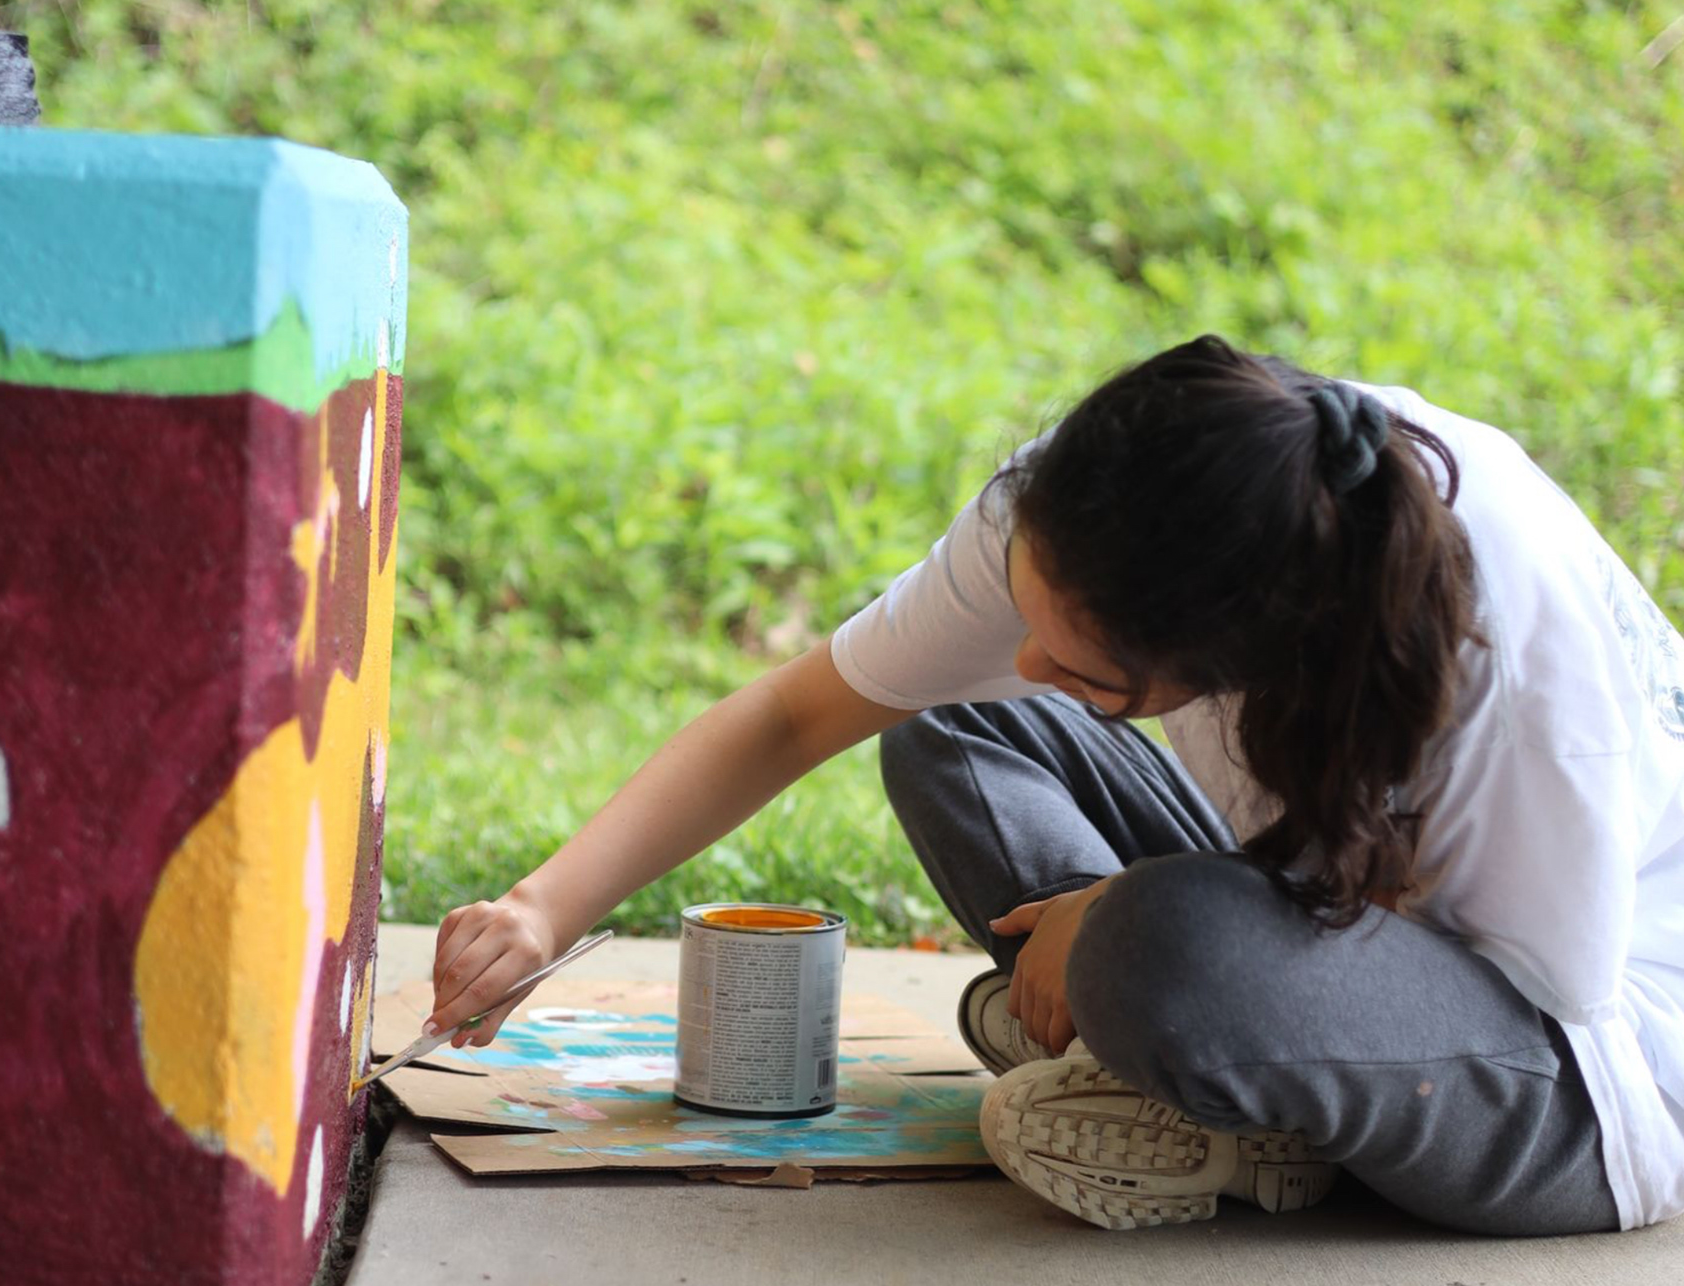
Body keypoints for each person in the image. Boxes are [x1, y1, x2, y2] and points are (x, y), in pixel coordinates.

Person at [428, 335, 1684, 1236]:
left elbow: (1535, 985)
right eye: (1028, 613)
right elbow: (796, 711)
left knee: (1160, 950)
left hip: (1575, 1083)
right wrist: (546, 907)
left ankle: (1173, 1039)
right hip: (1329, 909)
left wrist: (1137, 909)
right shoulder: (1100, 498)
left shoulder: (1502, 663)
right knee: (955, 726)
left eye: (1083, 667)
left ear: (1237, 660)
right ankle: (1183, 1076)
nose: (1030, 662)